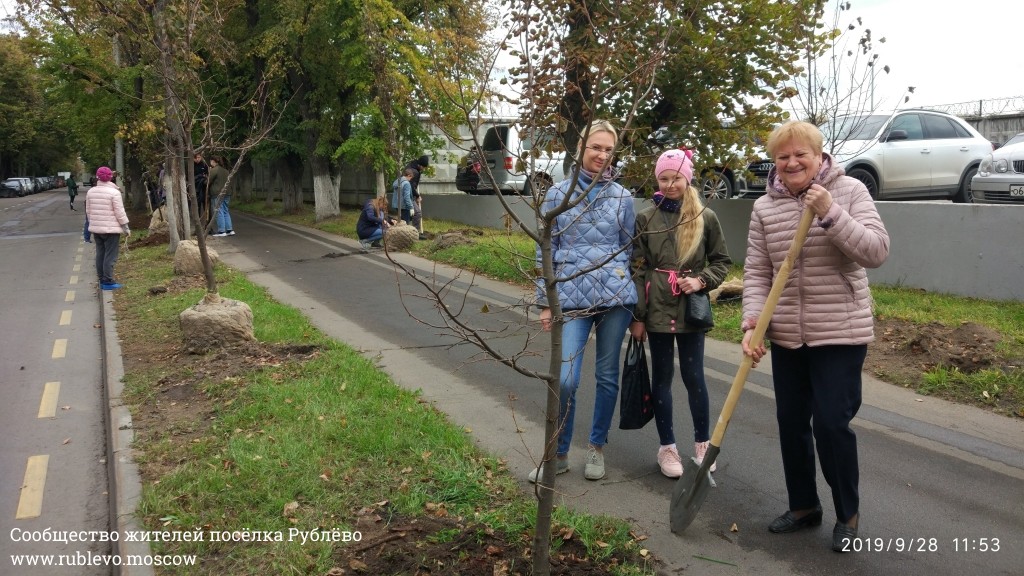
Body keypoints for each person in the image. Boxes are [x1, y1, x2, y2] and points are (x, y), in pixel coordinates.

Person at [740, 121, 889, 552]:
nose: (790, 162)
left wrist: (830, 212)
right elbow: (757, 271)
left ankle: (848, 513)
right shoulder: (765, 208)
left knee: (830, 423)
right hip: (787, 332)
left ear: (819, 154)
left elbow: (876, 252)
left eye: (799, 153)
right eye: (782, 156)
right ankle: (804, 505)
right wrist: (753, 322)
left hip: (839, 331)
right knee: (790, 423)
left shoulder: (849, 192)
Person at [529, 120, 637, 483]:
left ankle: (596, 447)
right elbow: (546, 248)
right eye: (596, 147)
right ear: (580, 148)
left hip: (614, 297)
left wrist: (631, 293)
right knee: (565, 378)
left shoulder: (622, 197)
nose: (602, 155)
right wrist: (545, 301)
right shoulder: (557, 194)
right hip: (571, 296)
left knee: (607, 376)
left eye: (609, 150)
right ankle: (558, 453)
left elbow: (629, 248)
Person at [629, 149, 731, 478]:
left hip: (691, 311)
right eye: (664, 178)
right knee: (662, 380)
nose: (670, 184)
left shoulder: (705, 217)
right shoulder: (645, 217)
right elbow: (637, 268)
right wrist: (639, 316)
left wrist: (702, 280)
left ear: (687, 178)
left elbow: (721, 261)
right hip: (657, 309)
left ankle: (703, 444)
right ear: (656, 179)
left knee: (694, 378)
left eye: (676, 177)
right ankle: (667, 447)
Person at [85, 166, 131, 290]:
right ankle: (108, 281)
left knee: (100, 253)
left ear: (97, 177)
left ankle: (101, 280)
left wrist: (93, 223)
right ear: (111, 177)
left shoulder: (91, 192)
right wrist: (126, 228)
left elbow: (88, 211)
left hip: (96, 229)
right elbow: (119, 212)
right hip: (111, 230)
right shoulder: (114, 193)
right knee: (110, 255)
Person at [208, 156, 234, 237]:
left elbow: (208, 181)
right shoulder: (226, 171)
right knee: (225, 211)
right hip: (227, 193)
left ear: (213, 161)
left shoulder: (214, 170)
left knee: (218, 211)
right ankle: (230, 229)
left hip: (217, 193)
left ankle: (221, 231)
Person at [405, 155, 429, 238]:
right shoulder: (414, 172)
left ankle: (407, 233)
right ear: (421, 165)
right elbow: (411, 186)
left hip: (404, 195)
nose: (424, 169)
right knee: (417, 213)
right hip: (408, 195)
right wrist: (417, 196)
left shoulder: (410, 166)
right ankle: (415, 233)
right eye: (424, 167)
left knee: (408, 215)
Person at [193, 152, 209, 219]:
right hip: (195, 187)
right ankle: (198, 220)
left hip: (203, 188)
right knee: (197, 206)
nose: (197, 159)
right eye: (196, 158)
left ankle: (207, 221)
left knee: (205, 205)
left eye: (199, 157)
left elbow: (207, 175)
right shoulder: (192, 165)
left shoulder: (204, 165)